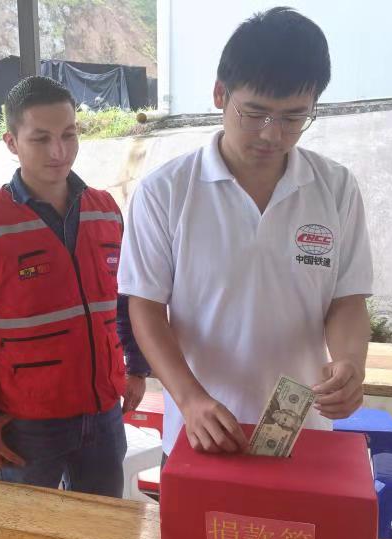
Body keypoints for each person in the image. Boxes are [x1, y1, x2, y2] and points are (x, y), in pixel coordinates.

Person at [118, 7, 373, 460]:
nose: (272, 135)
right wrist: (190, 399)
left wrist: (350, 362)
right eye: (255, 113)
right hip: (202, 430)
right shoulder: (167, 192)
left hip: (303, 429)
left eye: (294, 117)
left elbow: (346, 299)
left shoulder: (335, 188)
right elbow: (146, 307)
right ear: (220, 94)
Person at [0, 76, 150, 497]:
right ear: (11, 142)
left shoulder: (106, 211)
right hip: (28, 427)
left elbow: (124, 301)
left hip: (104, 415)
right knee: (26, 534)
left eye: (69, 135)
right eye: (41, 138)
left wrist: (136, 367)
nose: (59, 151)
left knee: (102, 529)